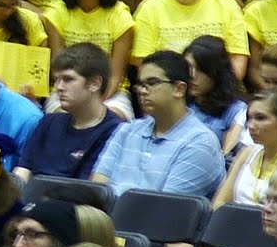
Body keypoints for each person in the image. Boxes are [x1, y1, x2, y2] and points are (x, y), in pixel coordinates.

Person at [92, 50, 224, 201]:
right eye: (140, 84)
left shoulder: (200, 143)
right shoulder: (126, 130)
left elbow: (164, 207)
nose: (142, 91)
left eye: (152, 83)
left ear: (179, 89)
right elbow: (97, 190)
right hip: (107, 213)